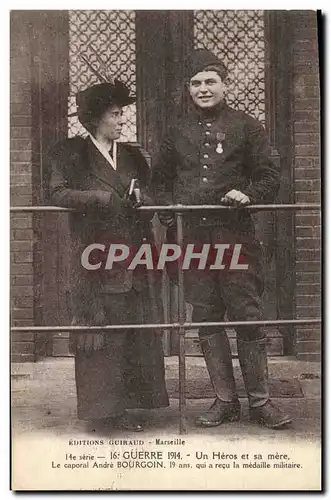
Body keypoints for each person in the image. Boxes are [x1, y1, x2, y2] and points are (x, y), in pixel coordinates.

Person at [152, 48, 291, 429]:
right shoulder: (176, 132)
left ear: (224, 85)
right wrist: (170, 214)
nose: (203, 89)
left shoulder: (248, 127)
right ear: (189, 89)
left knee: (246, 313)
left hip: (235, 236)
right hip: (193, 237)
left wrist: (249, 195)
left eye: (210, 81)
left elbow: (269, 176)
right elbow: (159, 183)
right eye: (195, 83)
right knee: (206, 313)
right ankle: (224, 401)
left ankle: (261, 403)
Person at [47, 78, 169, 431]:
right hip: (94, 256)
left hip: (133, 253)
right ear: (95, 118)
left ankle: (124, 409)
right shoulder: (70, 153)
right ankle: (100, 414)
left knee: (131, 329)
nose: (121, 121)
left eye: (121, 114)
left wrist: (142, 199)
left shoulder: (131, 155)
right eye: (115, 115)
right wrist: (100, 200)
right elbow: (57, 194)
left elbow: (152, 194)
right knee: (102, 332)